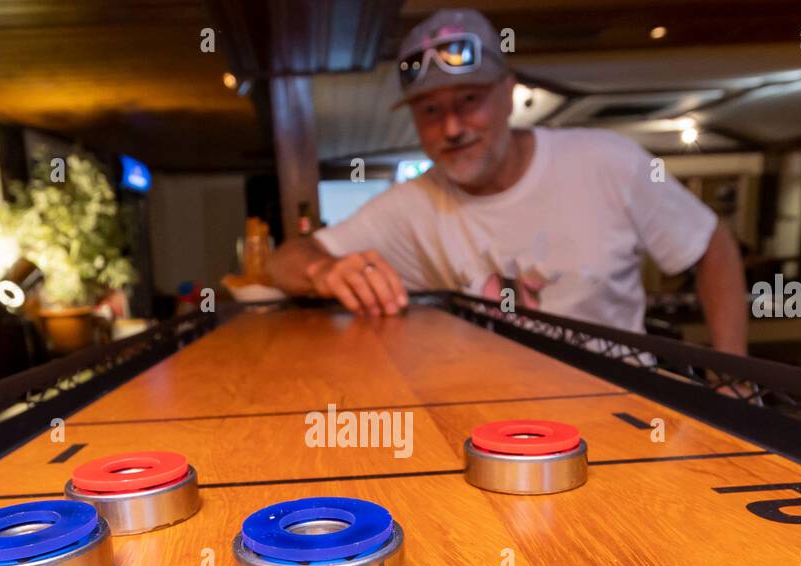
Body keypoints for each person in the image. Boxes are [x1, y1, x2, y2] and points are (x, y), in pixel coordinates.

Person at [267, 8, 749, 354]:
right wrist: (323, 272)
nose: (452, 128)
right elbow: (284, 260)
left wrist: (733, 376)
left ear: (509, 91)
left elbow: (712, 246)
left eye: (469, 100)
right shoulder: (412, 203)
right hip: (490, 414)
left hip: (622, 401)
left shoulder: (606, 159)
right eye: (430, 110)